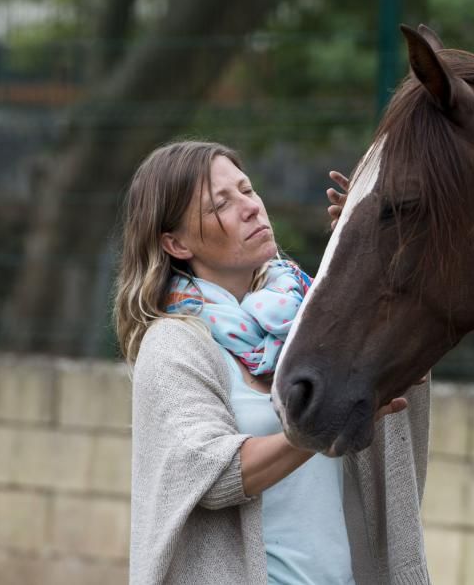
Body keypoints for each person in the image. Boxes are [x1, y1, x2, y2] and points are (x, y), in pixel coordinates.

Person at [114, 139, 430, 585]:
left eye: (247, 189)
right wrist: (322, 426)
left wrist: (370, 250)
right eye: (219, 204)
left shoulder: (309, 315)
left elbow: (399, 354)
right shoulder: (173, 345)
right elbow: (217, 475)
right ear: (176, 242)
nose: (249, 207)